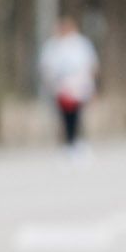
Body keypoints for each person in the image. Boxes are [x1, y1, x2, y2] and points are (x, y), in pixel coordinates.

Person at [38, 16, 98, 153]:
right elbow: (46, 67)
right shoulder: (53, 46)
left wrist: (92, 86)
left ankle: (77, 141)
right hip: (60, 89)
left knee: (77, 116)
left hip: (79, 88)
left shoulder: (81, 44)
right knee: (63, 117)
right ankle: (67, 142)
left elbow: (91, 65)